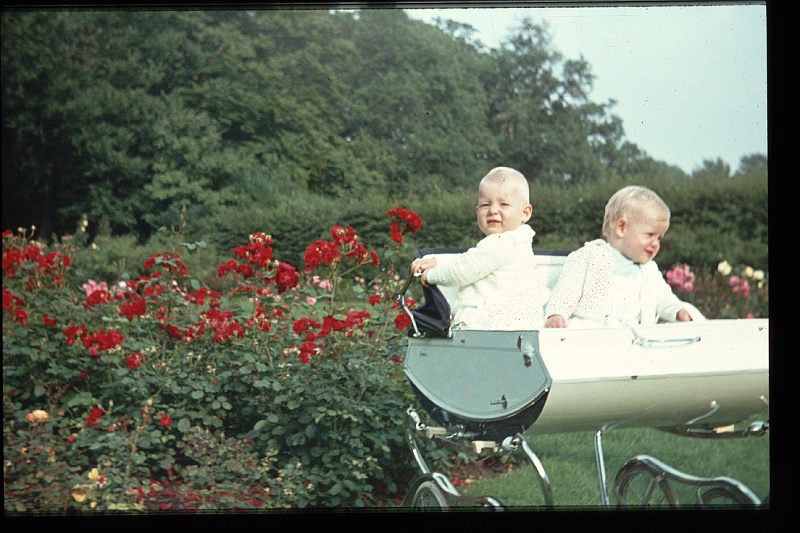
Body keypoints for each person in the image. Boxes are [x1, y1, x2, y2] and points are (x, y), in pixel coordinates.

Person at [544, 185, 704, 328]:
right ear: (621, 228)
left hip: (631, 340)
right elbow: (567, 290)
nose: (656, 244)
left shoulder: (649, 271)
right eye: (650, 235)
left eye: (659, 238)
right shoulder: (591, 256)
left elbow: (664, 299)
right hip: (589, 334)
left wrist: (678, 311)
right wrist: (556, 314)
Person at [410, 167, 549, 330]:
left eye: (504, 204)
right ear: (477, 212)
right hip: (521, 325)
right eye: (485, 205)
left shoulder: (501, 242)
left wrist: (431, 275)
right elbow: (469, 259)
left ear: (525, 213)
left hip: (494, 325)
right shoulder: (520, 241)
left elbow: (462, 270)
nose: (493, 211)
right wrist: (436, 260)